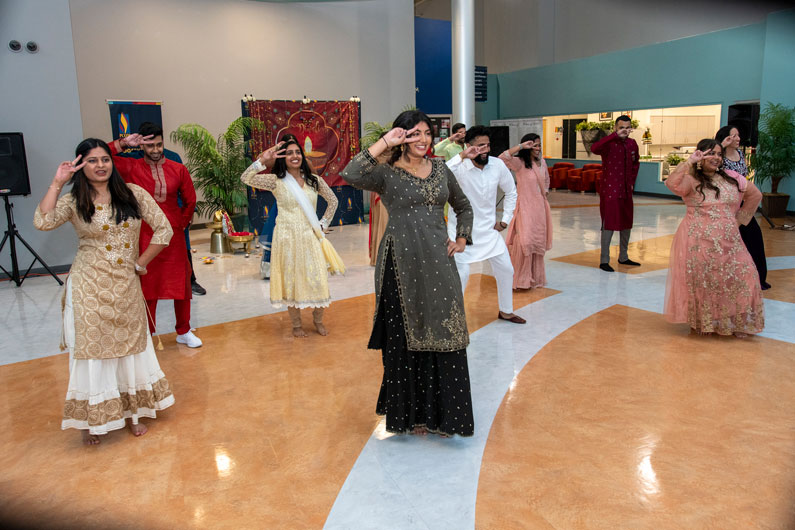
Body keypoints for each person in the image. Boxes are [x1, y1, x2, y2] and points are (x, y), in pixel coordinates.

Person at [341, 109, 475, 437]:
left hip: (439, 263)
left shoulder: (442, 168)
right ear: (401, 136)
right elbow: (350, 173)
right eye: (414, 133)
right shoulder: (385, 173)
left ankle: (446, 417)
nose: (423, 139)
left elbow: (464, 206)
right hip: (399, 264)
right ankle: (410, 416)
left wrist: (461, 238)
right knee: (404, 335)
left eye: (427, 133)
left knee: (445, 328)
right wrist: (385, 142)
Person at [33, 139, 175, 445]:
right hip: (89, 287)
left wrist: (141, 262)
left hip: (125, 284)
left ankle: (133, 413)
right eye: (93, 160)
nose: (101, 166)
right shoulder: (74, 201)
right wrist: (58, 183)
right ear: (81, 165)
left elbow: (165, 229)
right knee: (93, 352)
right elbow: (42, 221)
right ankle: (91, 419)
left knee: (130, 348)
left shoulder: (134, 194)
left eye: (105, 159)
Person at [108, 123, 202, 348]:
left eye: (159, 144)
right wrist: (122, 144)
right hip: (144, 234)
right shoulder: (131, 167)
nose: (155, 150)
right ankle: (148, 334)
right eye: (150, 145)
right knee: (148, 285)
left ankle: (184, 330)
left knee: (182, 284)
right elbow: (98, 156)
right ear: (142, 145)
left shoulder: (178, 168)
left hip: (173, 236)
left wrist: (179, 224)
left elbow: (190, 200)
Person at [240, 134, 342, 337]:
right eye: (289, 153)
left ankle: (318, 320)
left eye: (297, 152)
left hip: (309, 235)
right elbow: (246, 178)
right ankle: (296, 325)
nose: (294, 156)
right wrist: (262, 160)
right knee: (290, 280)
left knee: (317, 278)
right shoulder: (275, 181)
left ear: (302, 156)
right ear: (283, 158)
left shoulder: (314, 181)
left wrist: (322, 224)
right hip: (285, 237)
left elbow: (333, 201)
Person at [663, 138, 764, 337]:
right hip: (698, 240)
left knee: (746, 274)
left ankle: (734, 322)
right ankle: (703, 322)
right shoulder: (691, 179)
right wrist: (690, 162)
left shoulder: (731, 177)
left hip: (730, 241)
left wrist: (739, 221)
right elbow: (671, 183)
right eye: (711, 153)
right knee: (704, 282)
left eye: (719, 154)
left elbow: (756, 195)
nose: (716, 158)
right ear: (700, 155)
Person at [446, 125, 524, 323]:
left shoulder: (497, 165)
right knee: (461, 277)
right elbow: (439, 175)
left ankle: (506, 311)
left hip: (489, 233)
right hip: (461, 234)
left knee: (506, 269)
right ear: (468, 146)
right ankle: (453, 319)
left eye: (487, 145)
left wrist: (505, 220)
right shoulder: (459, 167)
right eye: (480, 146)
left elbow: (511, 191)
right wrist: (462, 156)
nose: (485, 150)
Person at [716, 125, 771, 290]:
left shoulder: (740, 154)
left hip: (743, 202)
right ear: (725, 138)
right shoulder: (719, 155)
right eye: (733, 136)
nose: (738, 139)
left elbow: (744, 176)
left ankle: (759, 279)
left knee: (754, 237)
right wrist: (722, 146)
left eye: (738, 135)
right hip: (725, 203)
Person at [500, 133, 553, 289]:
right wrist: (521, 147)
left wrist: (545, 192)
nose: (537, 148)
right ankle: (521, 279)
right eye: (534, 145)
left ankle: (535, 279)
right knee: (525, 242)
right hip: (525, 207)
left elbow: (547, 180)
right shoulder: (519, 163)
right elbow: (502, 158)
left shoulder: (542, 162)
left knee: (538, 242)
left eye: (539, 145)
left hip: (540, 209)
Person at [591, 115, 640, 272]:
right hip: (610, 191)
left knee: (627, 223)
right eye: (621, 127)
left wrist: (632, 182)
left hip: (626, 190)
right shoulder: (608, 144)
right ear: (615, 128)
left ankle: (623, 257)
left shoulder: (632, 144)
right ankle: (604, 260)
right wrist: (613, 136)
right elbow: (594, 148)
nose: (625, 130)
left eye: (627, 127)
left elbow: (635, 164)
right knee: (609, 224)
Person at [368, 134, 391, 266]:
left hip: (395, 194)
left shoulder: (398, 157)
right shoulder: (375, 157)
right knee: (383, 222)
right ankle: (381, 256)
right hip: (380, 194)